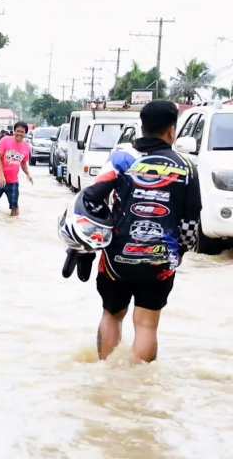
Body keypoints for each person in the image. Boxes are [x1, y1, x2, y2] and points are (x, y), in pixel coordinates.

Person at [82, 100, 201, 363]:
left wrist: (90, 241)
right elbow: (191, 222)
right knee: (147, 324)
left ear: (141, 128)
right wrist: (177, 254)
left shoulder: (121, 158)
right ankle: (138, 388)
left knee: (111, 315)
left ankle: (106, 377)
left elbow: (90, 198)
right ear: (172, 130)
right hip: (160, 260)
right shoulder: (187, 167)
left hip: (116, 258)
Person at [0, 121, 34, 216]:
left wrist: (28, 174)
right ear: (14, 131)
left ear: (25, 133)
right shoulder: (5, 140)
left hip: (13, 181)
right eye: (17, 131)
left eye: (22, 132)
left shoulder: (26, 147)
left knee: (14, 206)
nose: (19, 133)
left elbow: (23, 163)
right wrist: (1, 176)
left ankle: (14, 226)